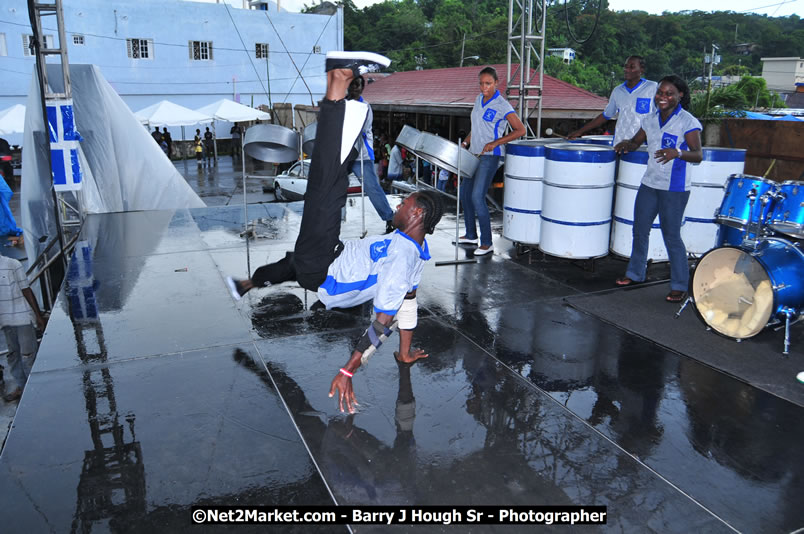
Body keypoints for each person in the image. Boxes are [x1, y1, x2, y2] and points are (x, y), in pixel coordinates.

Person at [226, 51, 439, 413]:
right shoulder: (414, 252)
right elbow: (409, 305)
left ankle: (336, 80)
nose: (398, 205)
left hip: (324, 264)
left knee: (327, 182)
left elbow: (383, 322)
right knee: (295, 255)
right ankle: (247, 284)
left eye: (405, 204)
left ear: (417, 214)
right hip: (326, 257)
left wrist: (348, 369)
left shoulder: (403, 257)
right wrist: (404, 354)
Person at [613, 75, 702, 303]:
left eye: (668, 93)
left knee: (671, 235)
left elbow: (698, 155)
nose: (662, 97)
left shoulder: (687, 122)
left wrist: (678, 153)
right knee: (639, 230)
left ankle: (680, 284)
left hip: (674, 188)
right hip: (649, 183)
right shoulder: (650, 119)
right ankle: (635, 274)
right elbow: (636, 142)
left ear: (680, 95)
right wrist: (627, 144)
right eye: (660, 93)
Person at [459, 66, 526, 255]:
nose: (483, 87)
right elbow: (477, 128)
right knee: (465, 193)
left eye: (488, 83)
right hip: (474, 153)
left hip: (491, 155)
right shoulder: (478, 99)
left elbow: (520, 130)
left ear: (497, 83)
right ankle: (471, 234)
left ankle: (487, 243)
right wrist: (466, 142)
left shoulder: (502, 105)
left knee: (476, 196)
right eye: (481, 83)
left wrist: (495, 142)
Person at [568, 56, 658, 146]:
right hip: (620, 145)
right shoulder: (617, 91)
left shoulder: (652, 87)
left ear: (641, 70)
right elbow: (606, 115)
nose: (627, 69)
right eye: (626, 66)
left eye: (632, 67)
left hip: (644, 146)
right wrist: (580, 131)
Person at [347, 76, 395, 233]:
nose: (354, 88)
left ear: (362, 88)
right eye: (352, 85)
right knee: (331, 185)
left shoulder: (365, 107)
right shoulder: (341, 104)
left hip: (362, 155)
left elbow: (357, 128)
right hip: (343, 154)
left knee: (372, 187)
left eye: (358, 86)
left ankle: (389, 218)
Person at [1, 254, 46, 402]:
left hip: (22, 317)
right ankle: (22, 386)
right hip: (5, 320)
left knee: (28, 356)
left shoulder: (13, 264)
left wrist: (38, 316)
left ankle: (34, 389)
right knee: (13, 356)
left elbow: (26, 290)